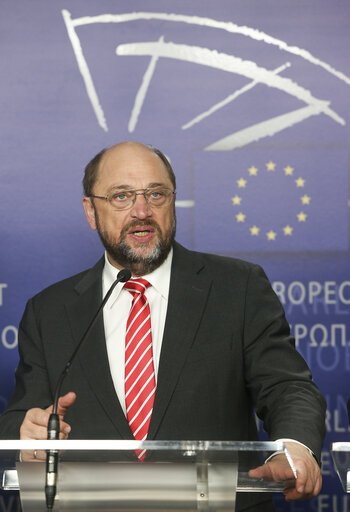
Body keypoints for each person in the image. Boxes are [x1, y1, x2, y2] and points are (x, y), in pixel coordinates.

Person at [0, 142, 326, 511]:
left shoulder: (239, 287)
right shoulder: (49, 311)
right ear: (91, 211)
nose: (142, 211)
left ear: (172, 202)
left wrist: (295, 447)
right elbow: (19, 418)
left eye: (156, 194)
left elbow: (287, 386)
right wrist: (27, 433)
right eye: (121, 196)